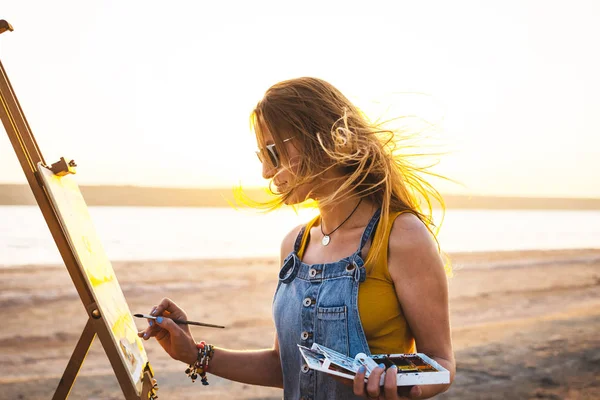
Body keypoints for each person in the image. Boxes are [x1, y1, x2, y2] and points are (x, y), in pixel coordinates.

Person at [139, 77, 455, 399]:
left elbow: (440, 363)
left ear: (319, 138)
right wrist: (194, 353)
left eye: (273, 152)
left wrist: (400, 384)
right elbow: (284, 365)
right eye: (260, 155)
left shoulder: (402, 236)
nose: (265, 171)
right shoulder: (294, 245)